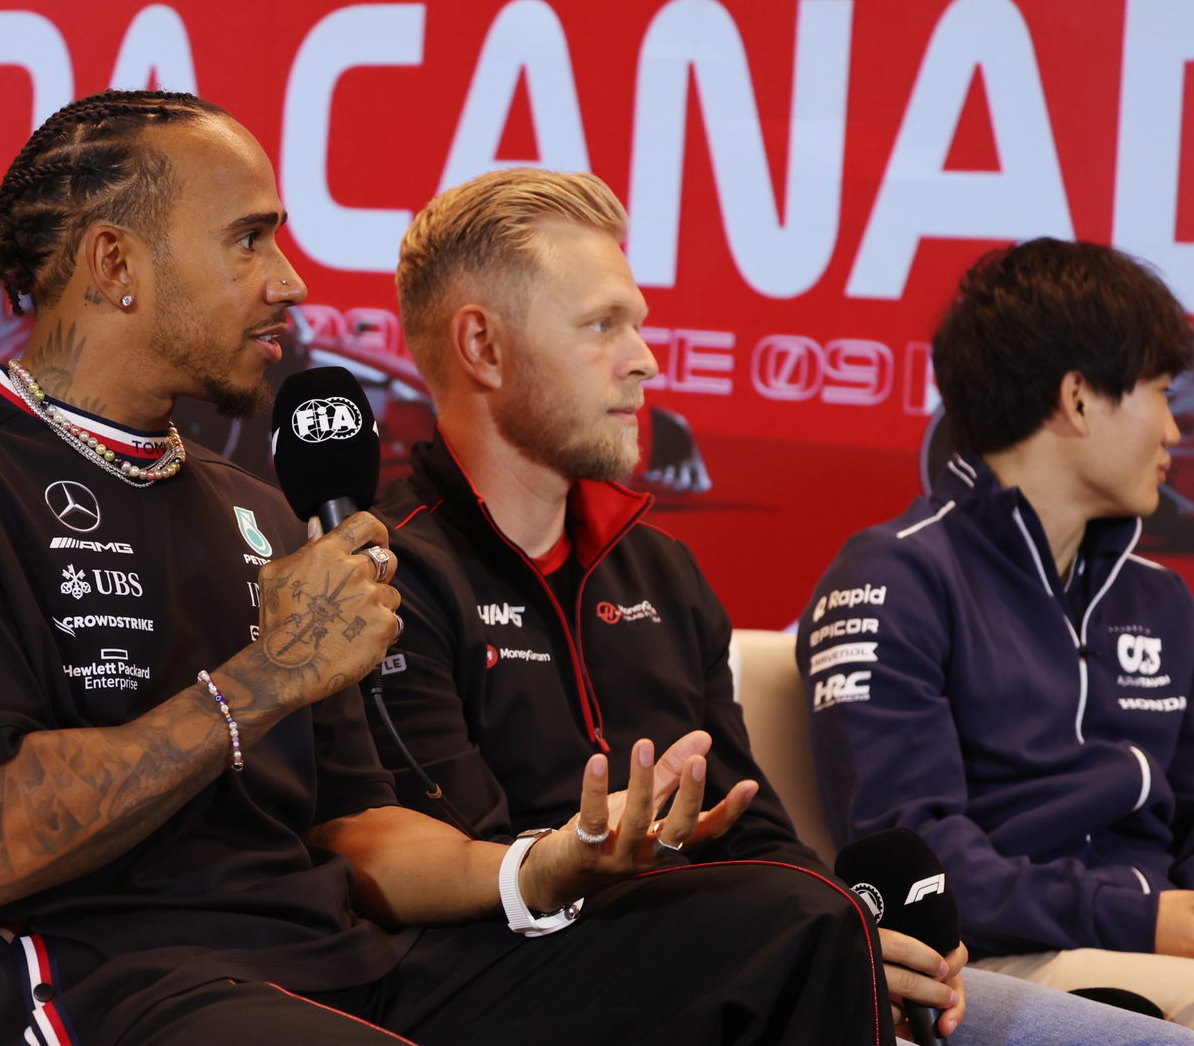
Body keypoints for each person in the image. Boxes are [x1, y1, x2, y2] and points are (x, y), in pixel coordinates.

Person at [0, 90, 890, 1046]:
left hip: (361, 966)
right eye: (248, 241)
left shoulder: (258, 506)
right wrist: (265, 678)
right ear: (115, 265)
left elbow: (356, 829)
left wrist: (541, 866)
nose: (290, 281)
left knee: (793, 929)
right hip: (140, 981)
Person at [372, 171, 1194, 1044]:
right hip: (551, 990)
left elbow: (754, 825)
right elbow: (461, 888)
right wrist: (809, 934)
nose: (645, 359)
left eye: (638, 324)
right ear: (484, 347)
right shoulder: (384, 575)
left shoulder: (661, 573)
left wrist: (857, 933)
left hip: (748, 967)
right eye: (603, 325)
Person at [798, 237, 1194, 1025]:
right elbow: (915, 864)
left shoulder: (1161, 598)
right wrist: (1146, 917)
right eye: (1158, 394)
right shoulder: (893, 575)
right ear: (1078, 399)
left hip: (1152, 950)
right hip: (988, 962)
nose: (1172, 434)